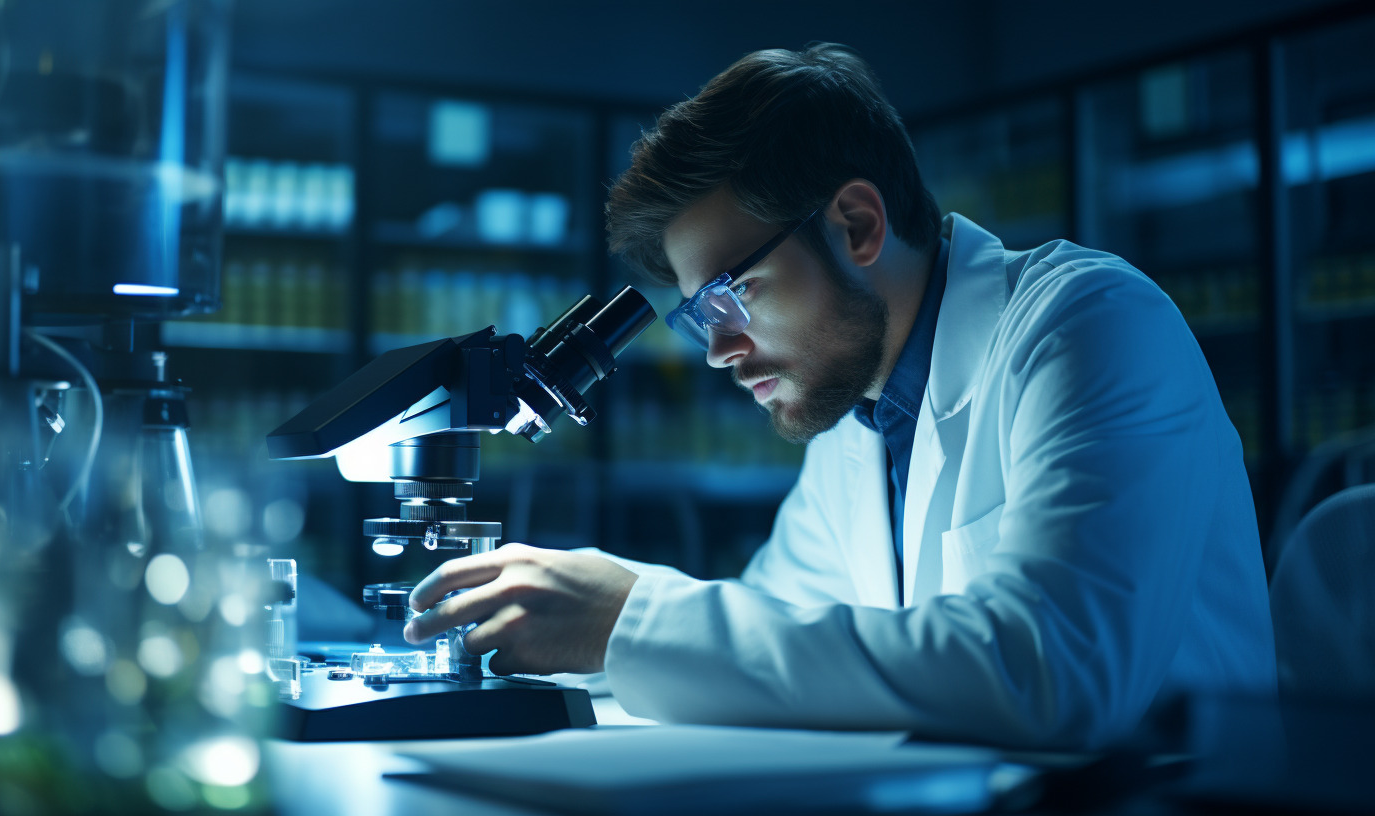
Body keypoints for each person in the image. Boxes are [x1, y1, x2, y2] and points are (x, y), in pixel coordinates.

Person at [403, 43, 1276, 749]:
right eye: (698, 314)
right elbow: (775, 649)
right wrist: (559, 630)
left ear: (856, 225)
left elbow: (1054, 668)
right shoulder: (855, 428)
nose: (716, 351)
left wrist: (627, 617)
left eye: (731, 296)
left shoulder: (1088, 323)